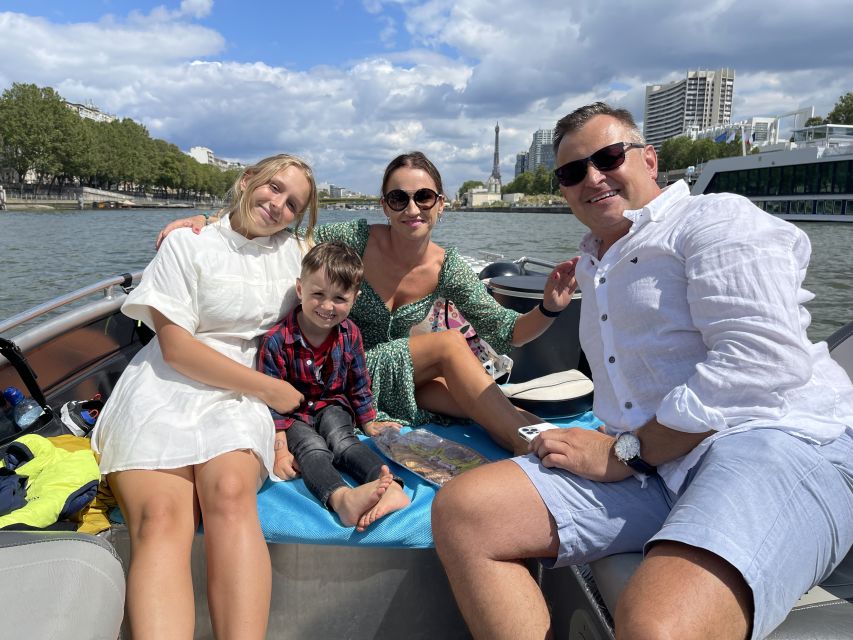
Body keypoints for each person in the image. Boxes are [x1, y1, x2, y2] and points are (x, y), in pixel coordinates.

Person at [431, 102, 853, 640]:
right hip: (655, 463)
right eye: (572, 171)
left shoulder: (715, 219)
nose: (592, 177)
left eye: (608, 157)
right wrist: (626, 447)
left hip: (772, 439)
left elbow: (760, 358)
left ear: (649, 160)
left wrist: (625, 451)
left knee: (657, 628)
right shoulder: (594, 262)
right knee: (465, 511)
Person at [157, 151, 578, 453]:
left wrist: (551, 308)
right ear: (385, 206)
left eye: (424, 197)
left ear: (441, 205)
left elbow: (508, 331)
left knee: (473, 399)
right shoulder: (355, 239)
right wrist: (212, 221)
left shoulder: (447, 268)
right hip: (341, 371)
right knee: (451, 344)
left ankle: (551, 438)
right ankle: (534, 452)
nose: (412, 208)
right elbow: (280, 232)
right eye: (399, 199)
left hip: (391, 379)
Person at [91, 154, 319, 639]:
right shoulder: (186, 244)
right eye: (273, 188)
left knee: (231, 495)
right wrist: (272, 390)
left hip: (238, 396)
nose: (278, 205)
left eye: (292, 202)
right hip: (165, 385)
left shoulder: (299, 254)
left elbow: (371, 247)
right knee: (160, 518)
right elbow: (175, 348)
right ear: (246, 181)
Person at [258, 241, 411, 531]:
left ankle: (389, 488)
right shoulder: (276, 341)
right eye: (318, 294)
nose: (327, 306)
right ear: (300, 289)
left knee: (343, 441)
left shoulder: (350, 333)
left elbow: (358, 381)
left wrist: (368, 421)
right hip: (294, 416)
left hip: (332, 404)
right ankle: (342, 499)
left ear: (355, 298)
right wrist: (280, 449)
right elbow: (271, 401)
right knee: (312, 449)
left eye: (340, 298)